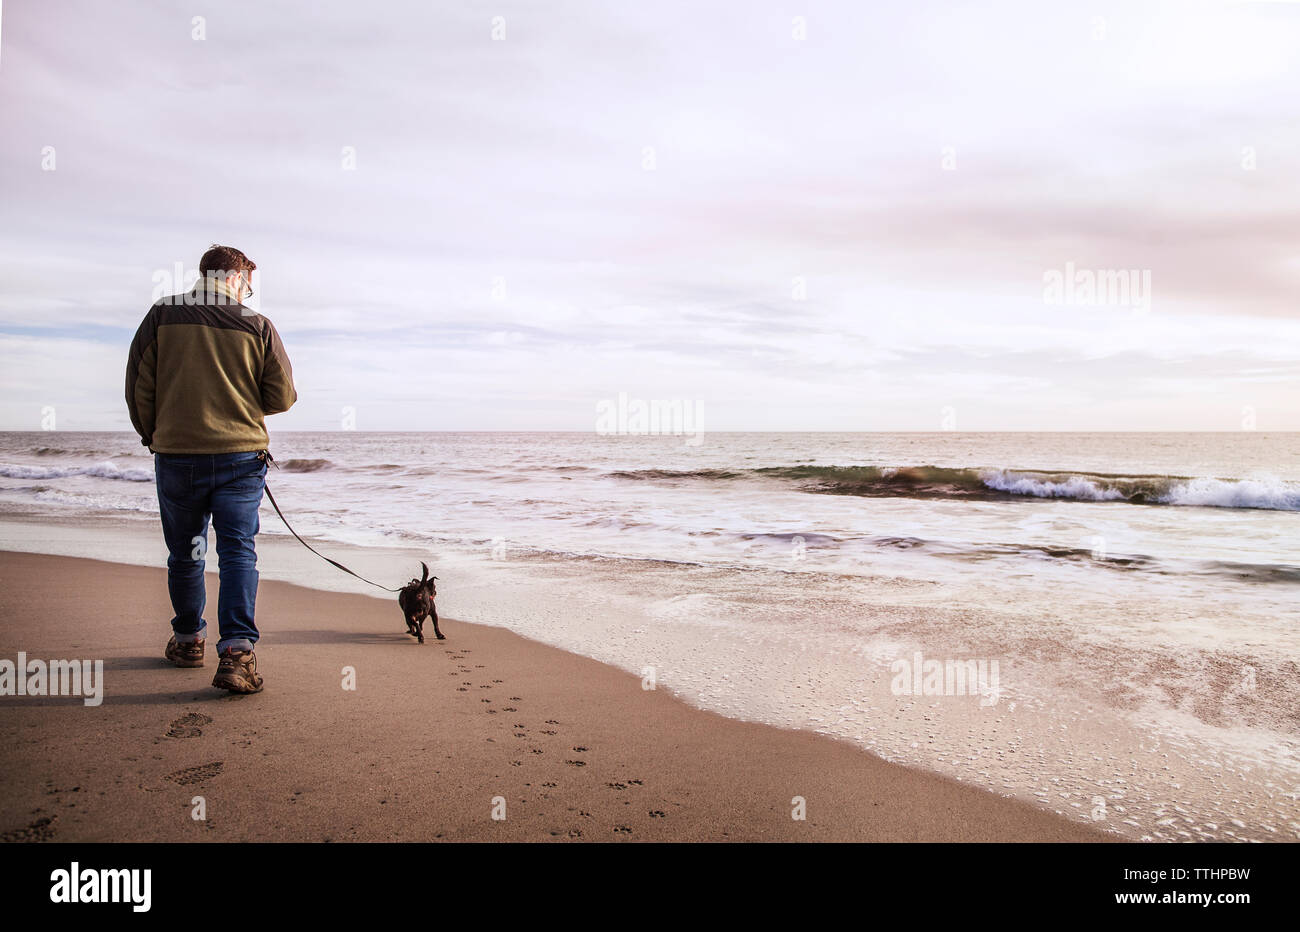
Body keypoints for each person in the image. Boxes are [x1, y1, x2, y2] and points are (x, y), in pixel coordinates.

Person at [125, 244, 297, 693]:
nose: (249, 293)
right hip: (241, 457)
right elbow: (281, 397)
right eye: (248, 285)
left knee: (186, 552)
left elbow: (139, 388)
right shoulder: (256, 325)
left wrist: (155, 435)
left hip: (177, 455)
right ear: (237, 279)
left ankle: (187, 641)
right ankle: (238, 654)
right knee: (238, 550)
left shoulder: (163, 315)